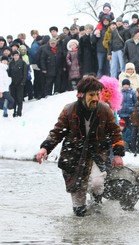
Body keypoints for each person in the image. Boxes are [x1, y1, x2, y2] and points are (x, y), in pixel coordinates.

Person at [36, 75, 125, 217]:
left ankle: (96, 204)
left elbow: (115, 132)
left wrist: (118, 154)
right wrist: (45, 148)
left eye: (97, 94)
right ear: (80, 95)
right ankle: (79, 228)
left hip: (96, 154)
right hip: (73, 156)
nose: (95, 98)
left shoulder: (104, 110)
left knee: (96, 183)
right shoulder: (69, 110)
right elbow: (57, 132)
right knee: (77, 194)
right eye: (91, 95)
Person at [8, 51, 28, 117]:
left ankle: (19, 112)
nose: (16, 56)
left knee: (19, 98)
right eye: (14, 55)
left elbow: (25, 73)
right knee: (13, 98)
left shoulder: (22, 63)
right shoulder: (10, 63)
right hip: (12, 84)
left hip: (20, 84)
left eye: (17, 55)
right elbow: (9, 73)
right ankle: (14, 111)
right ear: (12, 56)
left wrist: (23, 82)